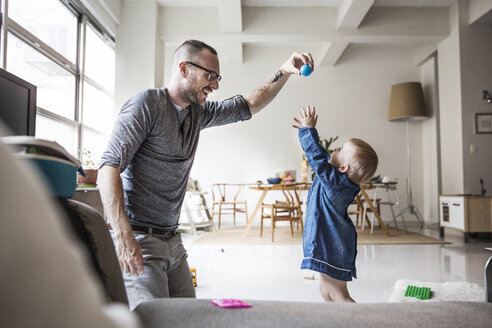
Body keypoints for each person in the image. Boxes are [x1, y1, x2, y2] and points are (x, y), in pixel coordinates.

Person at [98, 39, 314, 310]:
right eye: (209, 75)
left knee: (191, 318)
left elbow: (250, 103)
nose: (215, 85)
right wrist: (123, 236)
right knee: (154, 321)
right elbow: (108, 168)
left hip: (173, 242)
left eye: (217, 77)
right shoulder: (146, 105)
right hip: (141, 242)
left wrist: (284, 70)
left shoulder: (198, 113)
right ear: (184, 69)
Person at [292, 105, 378, 302]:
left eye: (340, 150)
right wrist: (306, 130)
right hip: (331, 242)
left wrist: (308, 129)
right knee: (325, 290)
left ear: (343, 168)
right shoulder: (336, 180)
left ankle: (361, 320)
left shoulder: (335, 183)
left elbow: (316, 158)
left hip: (331, 244)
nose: (335, 148)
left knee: (338, 293)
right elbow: (322, 159)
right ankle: (335, 320)